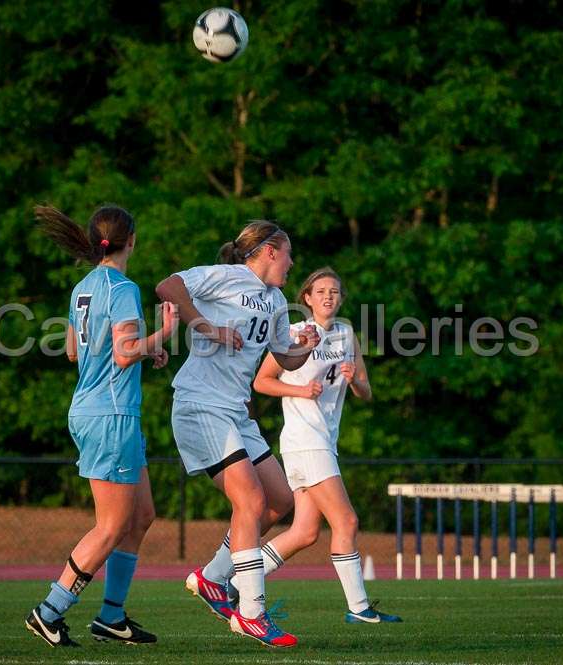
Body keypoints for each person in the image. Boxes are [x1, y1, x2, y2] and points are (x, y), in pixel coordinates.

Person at [155, 221, 320, 648]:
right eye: (288, 253)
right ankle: (251, 613)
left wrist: (307, 344)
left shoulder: (278, 301)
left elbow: (285, 357)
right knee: (249, 501)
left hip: (234, 413)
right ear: (268, 251)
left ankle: (212, 579)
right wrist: (206, 327)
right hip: (201, 405)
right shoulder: (228, 276)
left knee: (280, 501)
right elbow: (168, 286)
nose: (292, 262)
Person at [25, 204, 177, 647]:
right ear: (132, 239)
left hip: (94, 409)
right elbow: (123, 352)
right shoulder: (124, 288)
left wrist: (146, 350)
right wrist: (163, 334)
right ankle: (49, 611)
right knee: (111, 526)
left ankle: (111, 616)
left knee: (141, 514)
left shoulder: (83, 288)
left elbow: (74, 350)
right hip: (111, 415)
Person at [249, 267, 401, 624]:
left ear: (341, 298)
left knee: (304, 532)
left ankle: (239, 581)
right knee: (346, 521)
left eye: (334, 291)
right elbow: (262, 382)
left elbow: (366, 392)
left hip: (321, 443)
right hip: (306, 442)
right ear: (307, 298)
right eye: (320, 291)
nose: (328, 297)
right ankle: (360, 609)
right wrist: (301, 390)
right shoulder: (295, 333)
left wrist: (355, 382)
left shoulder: (347, 334)